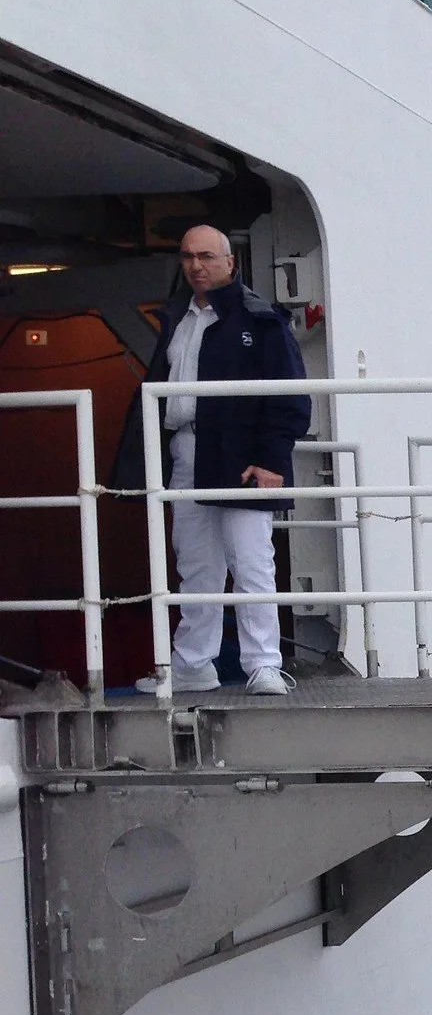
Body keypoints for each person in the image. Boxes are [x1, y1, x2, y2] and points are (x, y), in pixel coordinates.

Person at [116, 224, 310, 695]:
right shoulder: (178, 320)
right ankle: (192, 663)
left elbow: (290, 399)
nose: (196, 265)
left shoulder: (261, 319)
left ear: (230, 262)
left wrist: (270, 459)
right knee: (196, 565)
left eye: (206, 256)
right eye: (187, 257)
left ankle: (264, 663)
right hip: (187, 449)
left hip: (242, 455)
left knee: (250, 560)